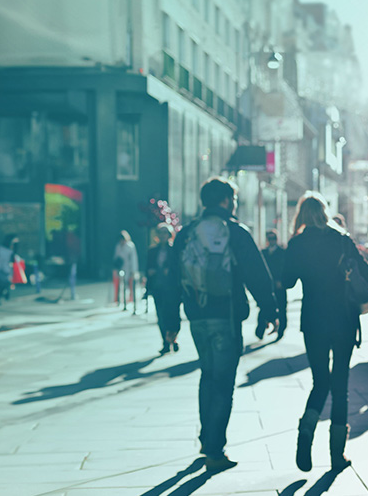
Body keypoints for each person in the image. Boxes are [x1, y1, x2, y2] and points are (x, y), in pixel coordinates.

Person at [166, 177, 279, 471]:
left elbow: (170, 279)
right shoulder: (236, 233)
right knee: (223, 383)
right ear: (227, 201)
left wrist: (169, 321)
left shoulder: (187, 233)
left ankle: (207, 439)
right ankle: (215, 449)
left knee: (207, 376)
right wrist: (268, 309)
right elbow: (257, 274)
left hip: (197, 316)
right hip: (226, 318)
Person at [283, 192, 368, 473]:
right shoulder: (342, 239)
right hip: (343, 320)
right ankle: (337, 455)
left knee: (319, 382)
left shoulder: (297, 243)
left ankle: (305, 433)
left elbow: (286, 282)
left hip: (313, 321)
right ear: (324, 212)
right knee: (340, 386)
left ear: (301, 215)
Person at [145, 223, 180, 355]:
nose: (163, 236)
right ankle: (165, 342)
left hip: (172, 289)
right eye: (160, 233)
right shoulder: (152, 251)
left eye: (165, 233)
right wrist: (150, 274)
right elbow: (147, 268)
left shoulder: (174, 250)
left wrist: (169, 271)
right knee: (161, 316)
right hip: (158, 287)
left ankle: (173, 338)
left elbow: (178, 268)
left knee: (173, 315)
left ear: (169, 235)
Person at [257, 229, 288, 339]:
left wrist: (282, 281)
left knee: (282, 308)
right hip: (266, 284)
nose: (272, 241)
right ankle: (260, 330)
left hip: (279, 284)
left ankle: (281, 331)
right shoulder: (263, 253)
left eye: (273, 238)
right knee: (264, 306)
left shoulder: (282, 252)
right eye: (269, 239)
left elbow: (286, 268)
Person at [112, 230, 138, 304]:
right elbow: (116, 257)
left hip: (129, 268)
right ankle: (119, 299)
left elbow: (133, 259)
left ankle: (131, 299)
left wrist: (133, 270)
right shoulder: (118, 246)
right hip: (121, 268)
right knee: (120, 284)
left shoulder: (130, 246)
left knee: (130, 284)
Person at [0, 234, 18, 305]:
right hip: (5, 269)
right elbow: (12, 260)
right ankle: (0, 297)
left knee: (0, 284)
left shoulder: (0, 248)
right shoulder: (10, 251)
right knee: (4, 284)